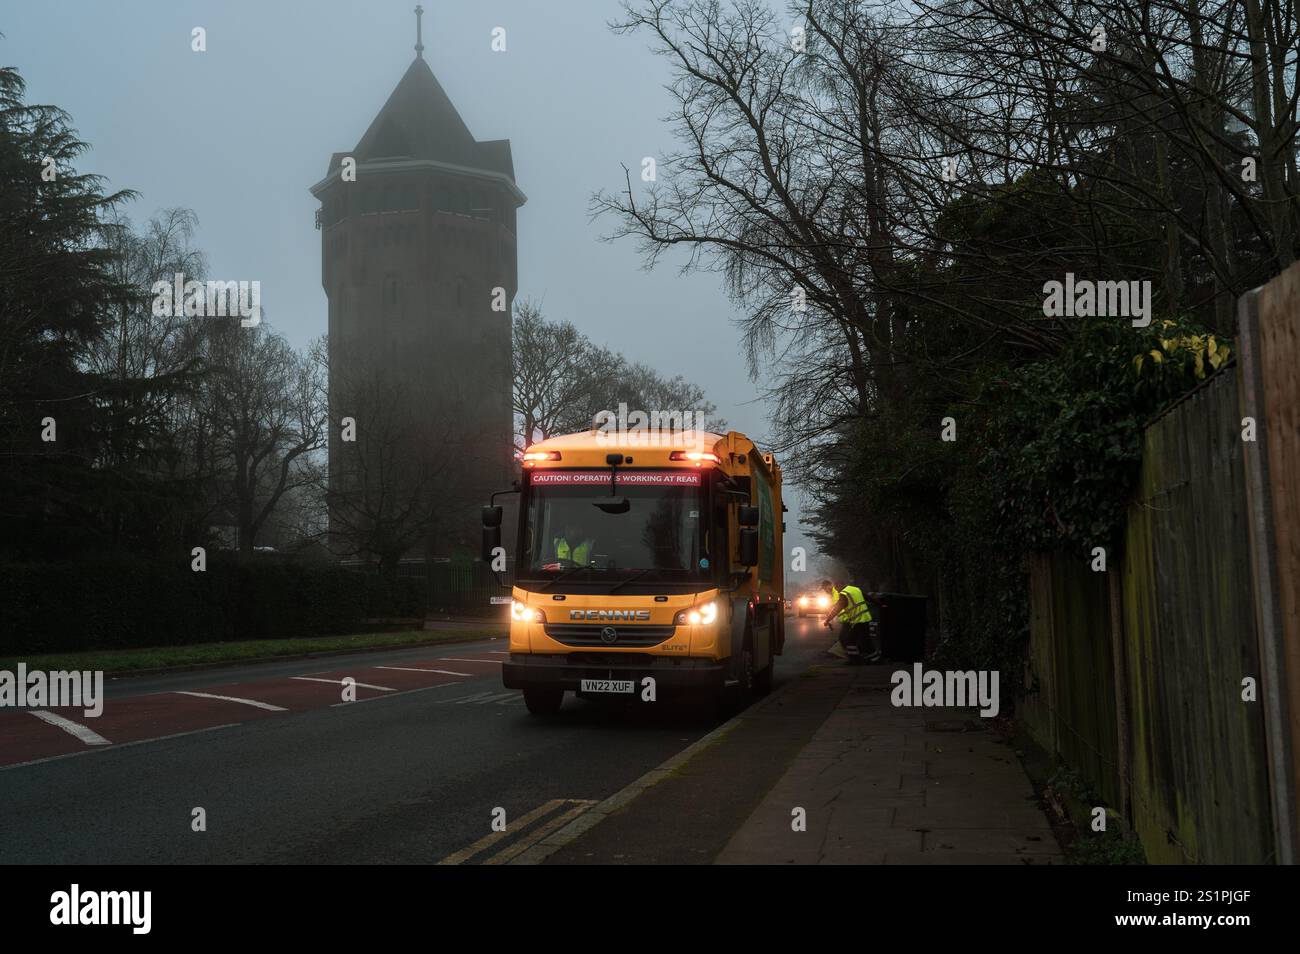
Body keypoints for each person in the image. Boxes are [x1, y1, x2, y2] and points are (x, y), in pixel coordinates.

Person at [819, 577, 879, 663]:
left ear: (839, 585)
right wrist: (880, 604)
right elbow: (867, 597)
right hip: (862, 618)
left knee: (849, 640)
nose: (837, 590)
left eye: (837, 587)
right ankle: (873, 659)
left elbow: (837, 608)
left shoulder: (842, 594)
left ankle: (855, 659)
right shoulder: (854, 589)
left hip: (854, 620)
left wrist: (828, 619)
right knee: (864, 640)